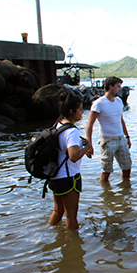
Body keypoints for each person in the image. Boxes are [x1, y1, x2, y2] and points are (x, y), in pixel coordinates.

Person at [48, 91, 91, 230]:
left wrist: (81, 141)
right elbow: (73, 156)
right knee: (71, 215)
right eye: (80, 109)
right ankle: (73, 244)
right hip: (68, 178)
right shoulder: (72, 131)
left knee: (57, 210)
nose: (82, 112)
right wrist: (88, 146)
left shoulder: (58, 125)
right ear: (72, 111)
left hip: (55, 176)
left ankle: (49, 235)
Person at [86, 76, 132, 181]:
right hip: (107, 140)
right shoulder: (99, 103)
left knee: (127, 167)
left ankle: (125, 191)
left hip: (121, 139)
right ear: (110, 87)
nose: (120, 89)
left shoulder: (119, 101)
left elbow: (121, 120)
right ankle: (105, 193)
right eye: (118, 86)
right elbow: (89, 124)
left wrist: (127, 136)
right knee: (106, 171)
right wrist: (89, 144)